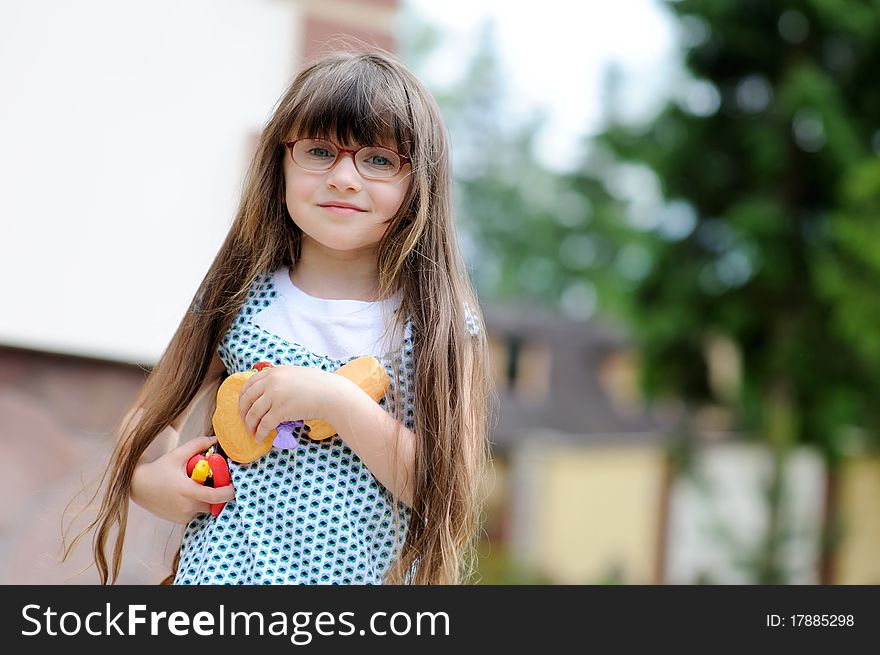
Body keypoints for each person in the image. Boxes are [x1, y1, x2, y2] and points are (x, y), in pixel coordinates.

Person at [64, 49, 495, 585]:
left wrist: (334, 401)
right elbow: (151, 419)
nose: (343, 178)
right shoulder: (236, 297)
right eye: (318, 151)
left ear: (419, 183)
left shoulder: (436, 326)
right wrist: (145, 481)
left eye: (378, 160)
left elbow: (445, 489)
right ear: (281, 164)